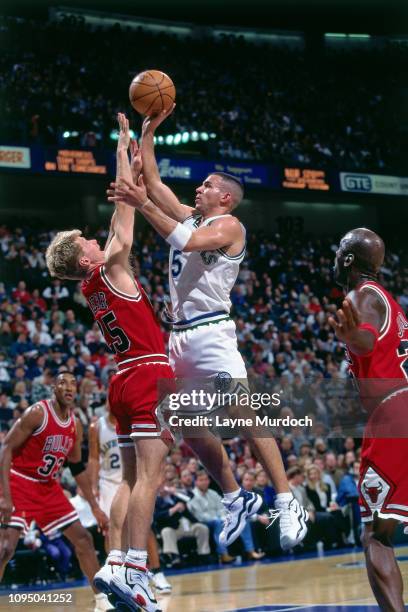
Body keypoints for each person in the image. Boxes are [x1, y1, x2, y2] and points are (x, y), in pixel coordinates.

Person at [107, 107, 308, 551]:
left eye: (207, 185)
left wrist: (141, 201)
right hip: (177, 337)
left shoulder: (228, 226)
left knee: (241, 410)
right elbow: (155, 183)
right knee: (186, 421)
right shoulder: (192, 215)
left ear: (226, 198)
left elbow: (186, 241)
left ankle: (287, 499)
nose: (198, 189)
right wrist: (148, 133)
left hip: (213, 332)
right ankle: (235, 495)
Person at [45, 114, 174, 612]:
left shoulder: (93, 284)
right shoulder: (110, 265)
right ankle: (137, 574)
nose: (95, 239)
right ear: (84, 259)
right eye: (87, 241)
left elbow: (123, 211)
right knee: (149, 479)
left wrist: (131, 168)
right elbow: (125, 209)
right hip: (146, 373)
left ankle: (117, 562)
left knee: (126, 480)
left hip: (120, 381)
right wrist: (124, 149)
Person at [329, 227, 408, 611]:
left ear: (348, 260)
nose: (334, 257)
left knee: (376, 535)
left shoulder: (362, 295)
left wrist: (352, 337)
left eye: (339, 250)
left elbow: (366, 339)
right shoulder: (388, 299)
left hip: (394, 414)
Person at [0, 372, 112, 612]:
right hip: (20, 481)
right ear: (54, 388)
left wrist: (94, 506)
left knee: (83, 539)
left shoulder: (75, 424)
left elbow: (77, 467)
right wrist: (5, 497)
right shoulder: (37, 413)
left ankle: (102, 602)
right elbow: (6, 448)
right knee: (5, 548)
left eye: (73, 383)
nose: (69, 387)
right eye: (63, 382)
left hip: (47, 487)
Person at [88, 403, 172, 594]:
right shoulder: (97, 427)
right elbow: (93, 459)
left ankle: (157, 572)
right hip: (108, 482)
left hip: (134, 479)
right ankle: (115, 571)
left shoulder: (133, 421)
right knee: (110, 528)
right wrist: (93, 486)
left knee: (143, 525)